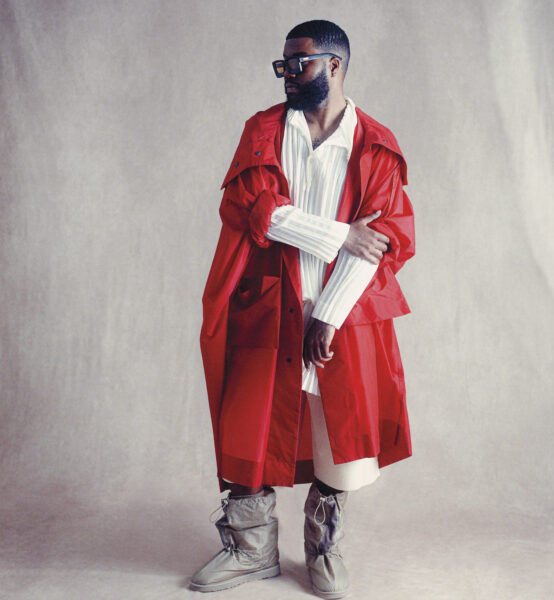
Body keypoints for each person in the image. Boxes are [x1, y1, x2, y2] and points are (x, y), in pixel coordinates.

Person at [191, 19, 415, 599]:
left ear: (334, 66)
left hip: (344, 310)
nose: (287, 73)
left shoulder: (375, 144)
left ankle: (323, 549)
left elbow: (383, 241)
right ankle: (250, 550)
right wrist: (341, 235)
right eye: (283, 64)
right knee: (249, 422)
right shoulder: (264, 131)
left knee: (335, 432)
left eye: (300, 62)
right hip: (267, 304)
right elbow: (255, 210)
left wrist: (329, 314)